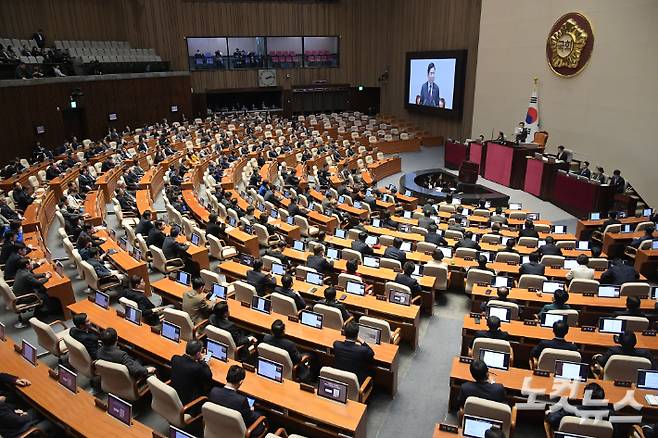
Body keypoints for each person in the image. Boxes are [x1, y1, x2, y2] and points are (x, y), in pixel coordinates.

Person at [209, 366, 266, 435]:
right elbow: (250, 419)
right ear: (241, 382)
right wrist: (251, 410)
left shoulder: (213, 391)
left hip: (216, 427)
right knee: (261, 415)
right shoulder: (241, 401)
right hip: (236, 432)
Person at [170, 340, 213, 405]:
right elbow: (209, 376)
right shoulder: (197, 367)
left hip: (175, 396)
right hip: (189, 402)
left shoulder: (175, 358)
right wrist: (202, 361)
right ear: (198, 354)